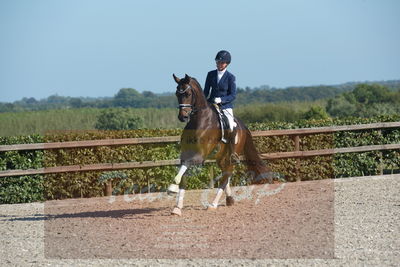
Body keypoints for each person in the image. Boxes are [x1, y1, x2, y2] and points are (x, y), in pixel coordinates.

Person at [204, 50, 240, 164]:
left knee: (230, 124)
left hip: (225, 106)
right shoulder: (210, 74)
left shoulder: (231, 77)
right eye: (218, 62)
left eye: (222, 63)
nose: (219, 64)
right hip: (212, 104)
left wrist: (222, 100)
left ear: (227, 64)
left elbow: (233, 95)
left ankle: (233, 152)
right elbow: (205, 92)